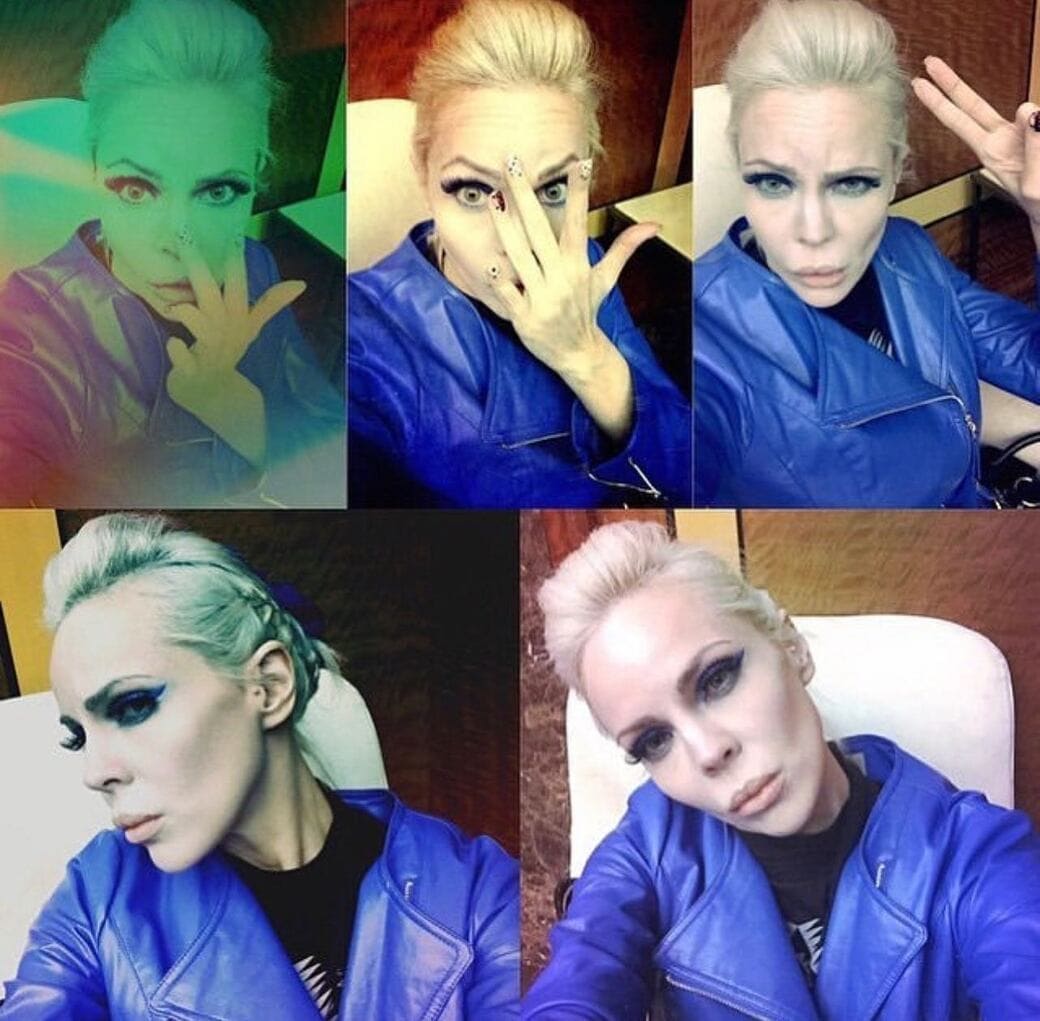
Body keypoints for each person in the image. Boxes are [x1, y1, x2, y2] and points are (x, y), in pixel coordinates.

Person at [0, 514, 519, 1019]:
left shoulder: (476, 895)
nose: (94, 773)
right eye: (78, 737)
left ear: (269, 686)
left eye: (133, 706)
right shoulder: (99, 895)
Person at [522, 521, 1040, 1018]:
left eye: (716, 679)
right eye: (654, 741)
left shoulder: (973, 854)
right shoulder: (646, 855)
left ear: (791, 647)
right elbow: (581, 974)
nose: (708, 751)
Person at [694, 0, 1040, 507]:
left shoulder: (910, 252)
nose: (813, 232)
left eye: (852, 183)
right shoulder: (704, 349)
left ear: (896, 171)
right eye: (773, 182)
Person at [0, 0, 344, 507]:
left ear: (255, 176)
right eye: (137, 189)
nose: (180, 246)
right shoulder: (29, 333)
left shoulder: (252, 267)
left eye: (219, 191)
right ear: (95, 170)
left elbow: (334, 459)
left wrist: (236, 409)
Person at [348, 0, 690, 508]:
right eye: (472, 192)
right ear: (423, 170)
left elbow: (690, 475)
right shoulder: (359, 342)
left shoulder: (582, 263)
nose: (521, 243)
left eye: (551, 190)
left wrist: (587, 357)